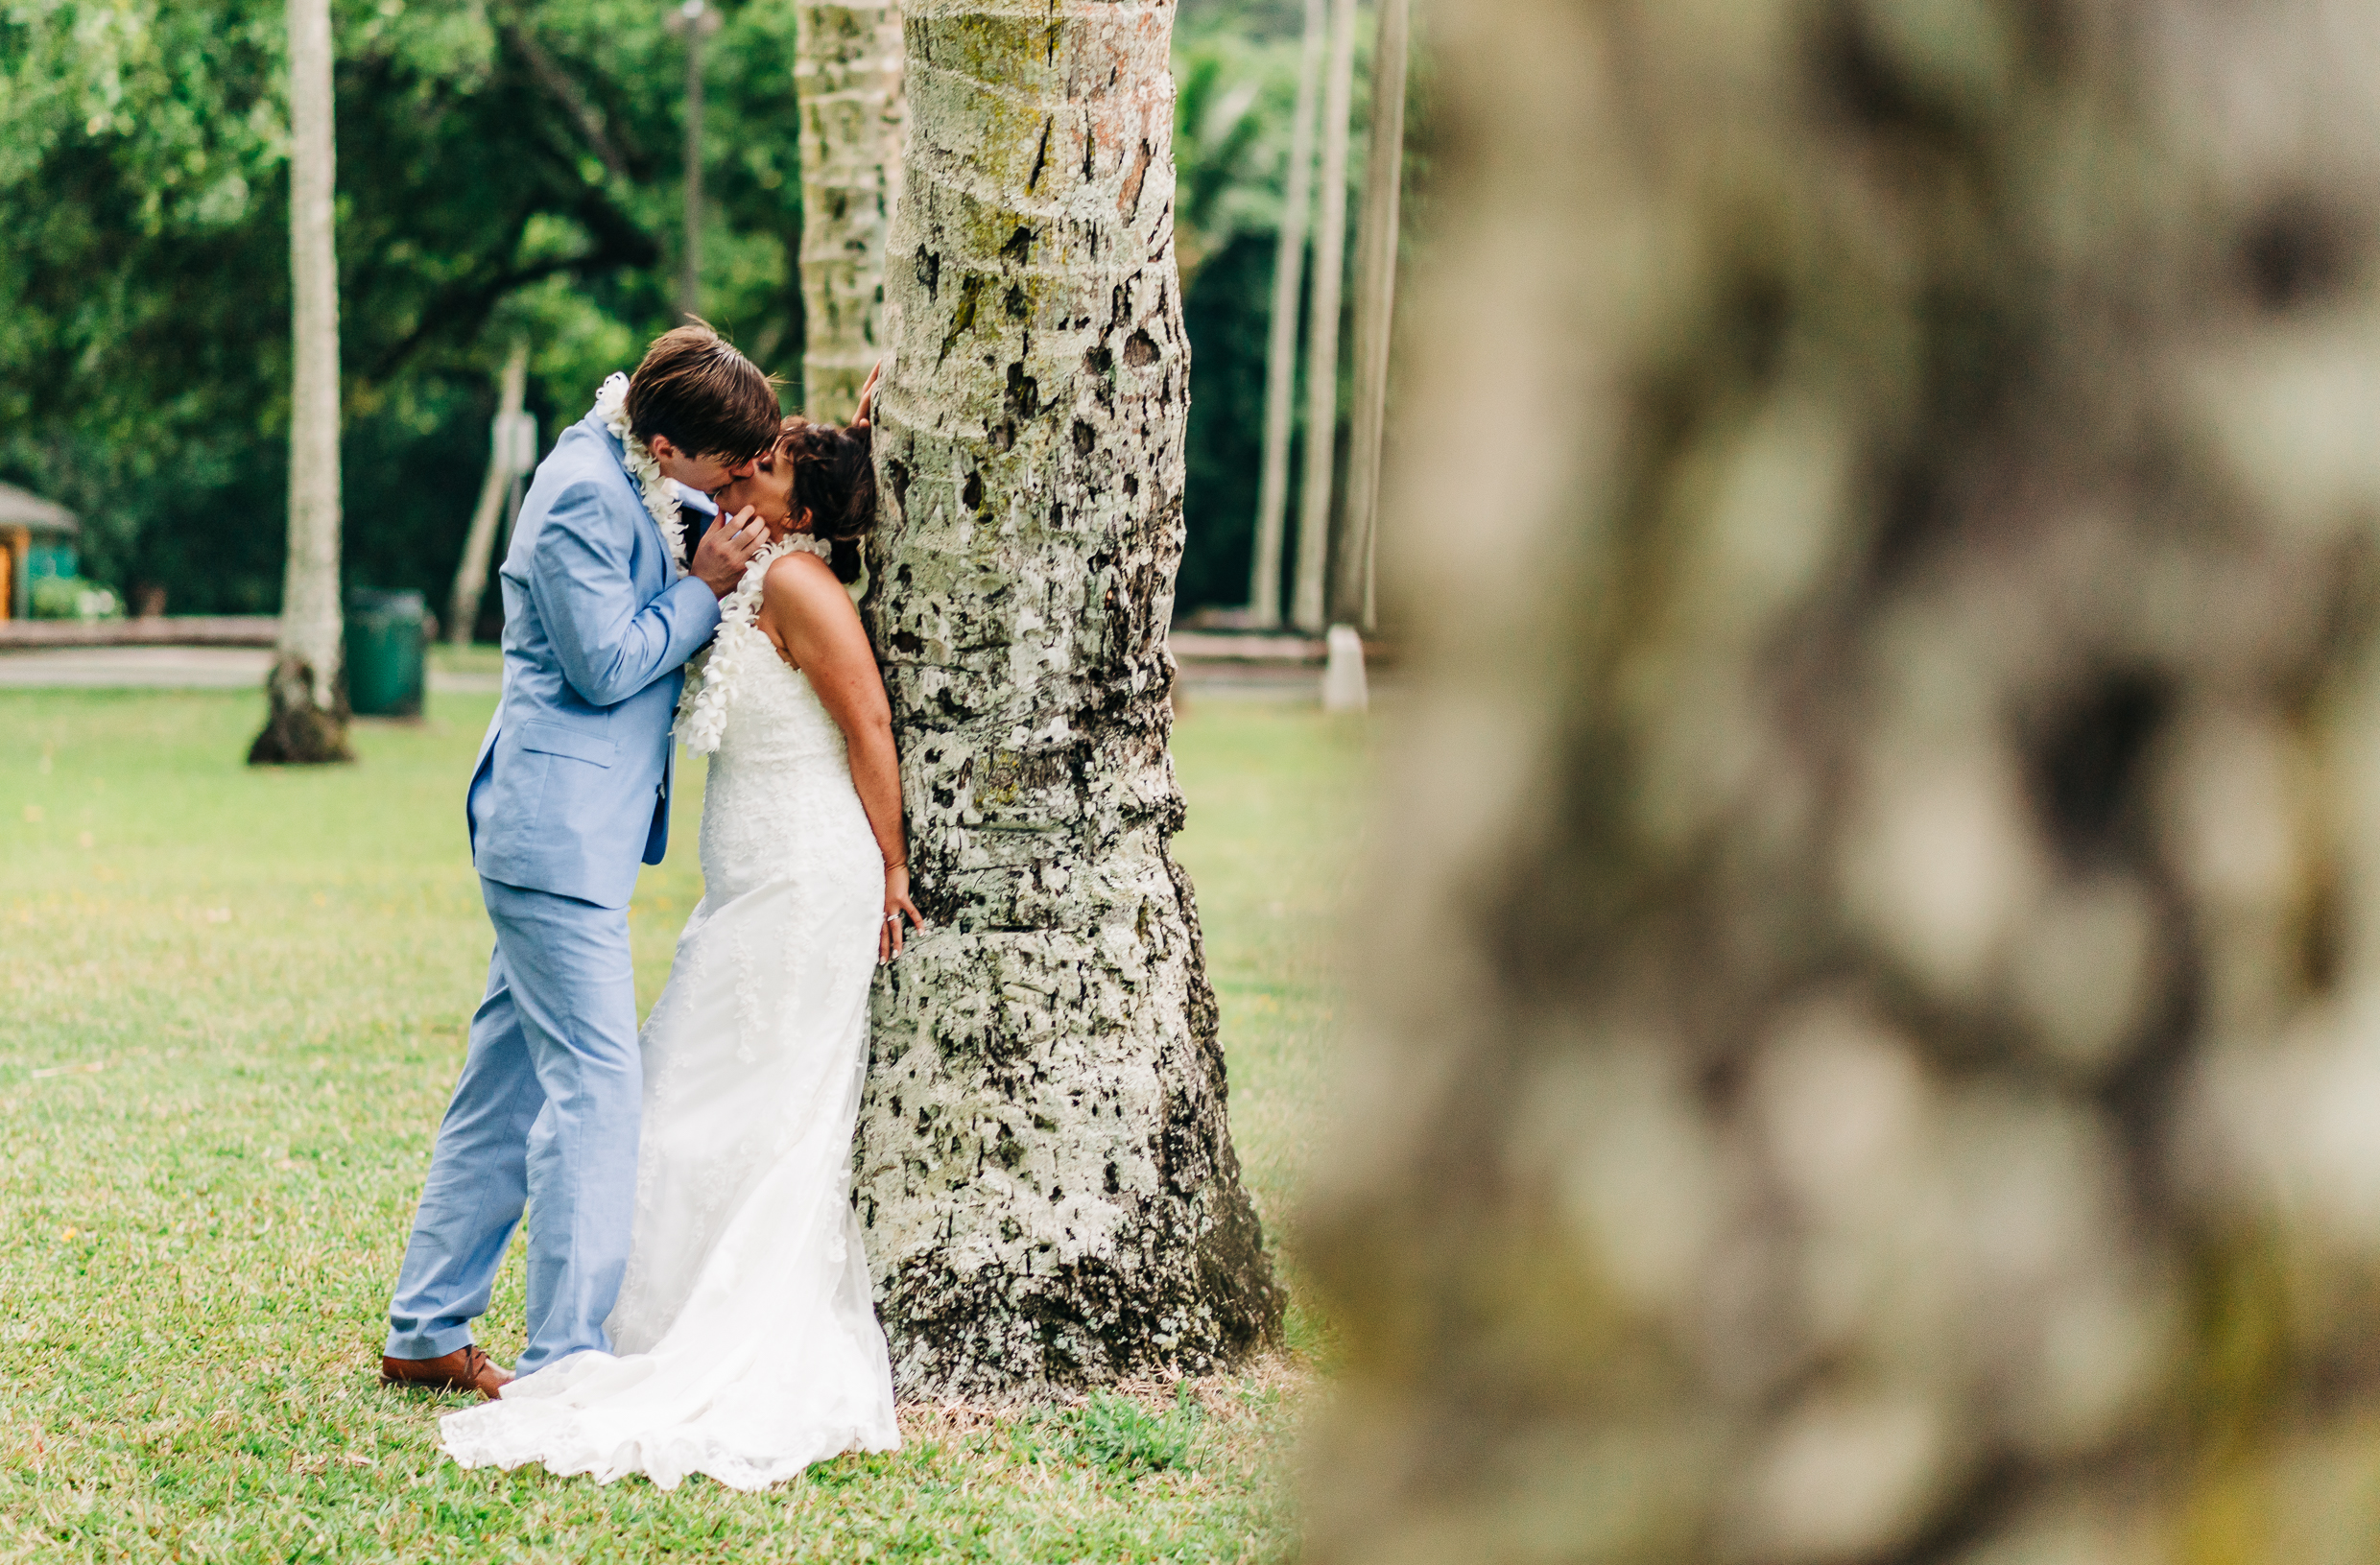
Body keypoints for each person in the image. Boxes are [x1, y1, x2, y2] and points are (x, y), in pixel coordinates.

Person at [436, 371, 921, 1488]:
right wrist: (842, 435)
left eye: (767, 465)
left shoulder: (796, 582)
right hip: (731, 881)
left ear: (794, 508)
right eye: (738, 459)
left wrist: (893, 862)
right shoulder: (735, 552)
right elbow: (734, 520)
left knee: (748, 1106)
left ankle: (648, 1331)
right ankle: (613, 1320)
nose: (742, 470)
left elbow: (868, 721)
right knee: (670, 1089)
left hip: (807, 878)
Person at [378, 323, 779, 1400]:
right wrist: (699, 585)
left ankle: (424, 1328)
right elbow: (604, 665)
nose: (734, 481)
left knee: (502, 1088)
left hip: (572, 834)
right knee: (600, 1090)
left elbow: (729, 507)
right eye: (722, 464)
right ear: (660, 441)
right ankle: (567, 1358)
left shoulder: (632, 466)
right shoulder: (578, 497)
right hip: (553, 832)